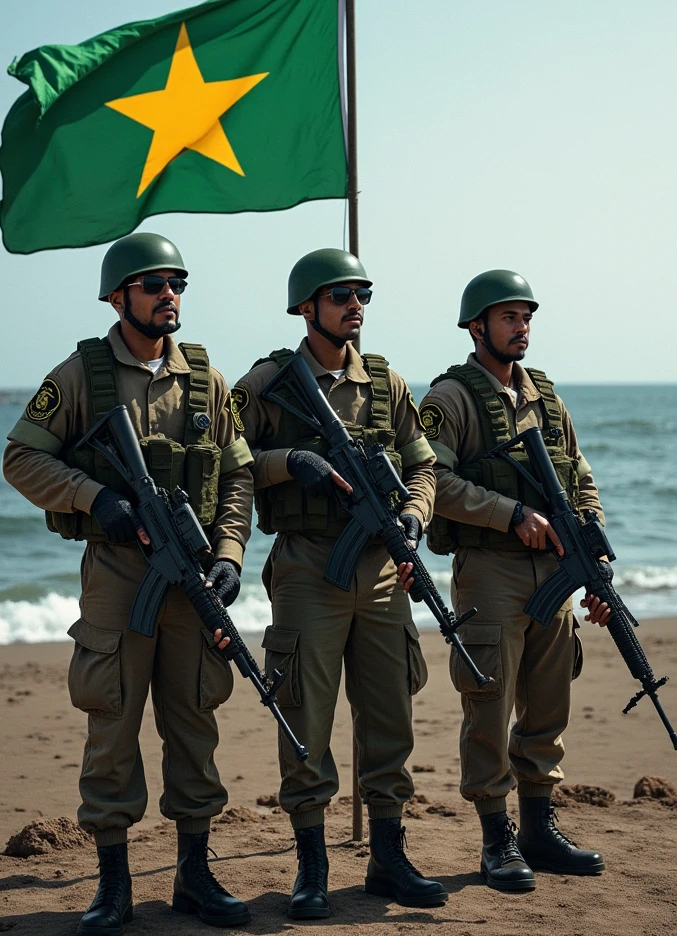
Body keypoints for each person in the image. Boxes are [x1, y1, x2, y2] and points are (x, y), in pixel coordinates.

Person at [3, 232, 255, 932]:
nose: (168, 294)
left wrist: (230, 552)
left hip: (192, 580)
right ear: (118, 298)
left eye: (176, 283)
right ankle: (112, 884)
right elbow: (20, 458)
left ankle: (194, 874)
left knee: (195, 722)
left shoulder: (206, 379)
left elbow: (237, 473)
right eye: (153, 284)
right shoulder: (81, 375)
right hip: (119, 581)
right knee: (112, 726)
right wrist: (95, 499)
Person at [231, 248, 447, 918]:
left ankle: (388, 856)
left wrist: (414, 517)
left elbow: (424, 466)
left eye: (363, 295)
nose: (355, 306)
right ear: (306, 307)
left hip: (381, 571)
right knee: (305, 715)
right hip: (306, 569)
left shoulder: (387, 381)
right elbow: (223, 463)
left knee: (390, 714)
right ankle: (312, 863)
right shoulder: (266, 382)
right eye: (340, 295)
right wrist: (286, 461)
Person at [417, 269, 611, 892]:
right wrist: (510, 513)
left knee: (549, 703)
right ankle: (496, 838)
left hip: (554, 569)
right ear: (477, 327)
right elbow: (432, 480)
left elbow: (579, 474)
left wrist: (595, 554)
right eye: (509, 317)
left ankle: (538, 829)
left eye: (526, 317)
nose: (521, 327)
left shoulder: (545, 397)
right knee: (489, 702)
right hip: (490, 571)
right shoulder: (450, 398)